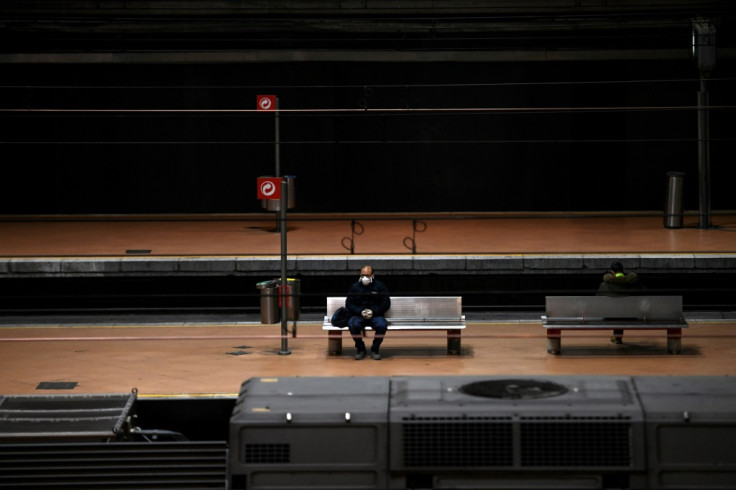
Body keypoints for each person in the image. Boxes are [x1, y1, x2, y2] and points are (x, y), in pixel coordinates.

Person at [345, 265, 391, 360]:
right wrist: (360, 312)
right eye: (362, 275)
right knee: (352, 324)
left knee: (382, 325)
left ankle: (375, 349)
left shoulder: (379, 286)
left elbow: (386, 302)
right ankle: (360, 349)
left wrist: (374, 312)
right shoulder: (355, 287)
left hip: (375, 315)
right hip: (359, 315)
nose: (364, 278)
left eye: (367, 275)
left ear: (373, 275)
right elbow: (349, 303)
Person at [596, 261, 645, 344]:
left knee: (616, 310)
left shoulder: (605, 285)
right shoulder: (634, 283)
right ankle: (617, 336)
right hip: (631, 315)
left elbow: (597, 301)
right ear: (623, 271)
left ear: (611, 272)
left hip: (610, 316)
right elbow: (644, 293)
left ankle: (617, 336)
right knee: (623, 309)